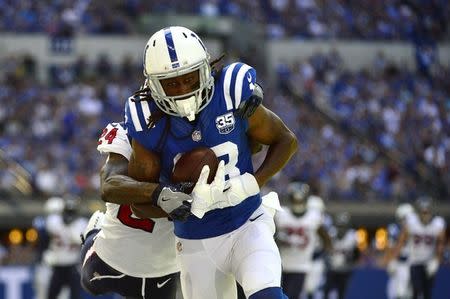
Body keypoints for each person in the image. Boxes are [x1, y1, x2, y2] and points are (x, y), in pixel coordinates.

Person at [125, 26, 298, 299]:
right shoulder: (149, 121)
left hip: (247, 223)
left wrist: (253, 182)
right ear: (154, 85)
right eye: (171, 83)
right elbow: (139, 203)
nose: (182, 90)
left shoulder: (230, 93)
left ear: (206, 69)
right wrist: (176, 204)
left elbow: (286, 140)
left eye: (190, 78)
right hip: (196, 242)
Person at [80, 122, 179, 299]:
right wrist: (159, 194)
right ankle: (93, 232)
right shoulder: (198, 142)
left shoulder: (127, 135)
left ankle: (93, 231)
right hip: (156, 269)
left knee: (90, 281)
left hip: (115, 261)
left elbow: (110, 186)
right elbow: (109, 188)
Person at [275, 183, 332, 299]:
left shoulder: (314, 216)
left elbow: (326, 240)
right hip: (281, 264)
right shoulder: (281, 214)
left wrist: (320, 256)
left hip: (301, 265)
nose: (298, 202)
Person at [388, 197, 446, 299]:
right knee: (415, 292)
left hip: (429, 261)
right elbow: (400, 242)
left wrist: (436, 260)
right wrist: (393, 259)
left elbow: (441, 243)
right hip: (414, 261)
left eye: (427, 212)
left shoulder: (437, 223)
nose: (425, 215)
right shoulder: (411, 222)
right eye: (423, 212)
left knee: (427, 293)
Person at [43, 196, 87, 299]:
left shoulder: (81, 224)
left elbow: (78, 239)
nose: (69, 215)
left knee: (75, 295)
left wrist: (68, 231)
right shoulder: (54, 221)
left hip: (73, 266)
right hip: (58, 265)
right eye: (67, 211)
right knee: (51, 295)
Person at [323, 212, 357, 299]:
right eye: (340, 226)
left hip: (345, 269)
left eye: (344, 226)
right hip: (332, 269)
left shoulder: (353, 236)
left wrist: (349, 261)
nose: (342, 229)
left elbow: (356, 254)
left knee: (341, 293)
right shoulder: (331, 233)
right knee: (326, 291)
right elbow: (326, 249)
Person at [385, 203, 414, 299]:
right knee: (397, 292)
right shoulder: (395, 228)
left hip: (414, 263)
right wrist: (391, 261)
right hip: (400, 263)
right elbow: (390, 247)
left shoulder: (416, 227)